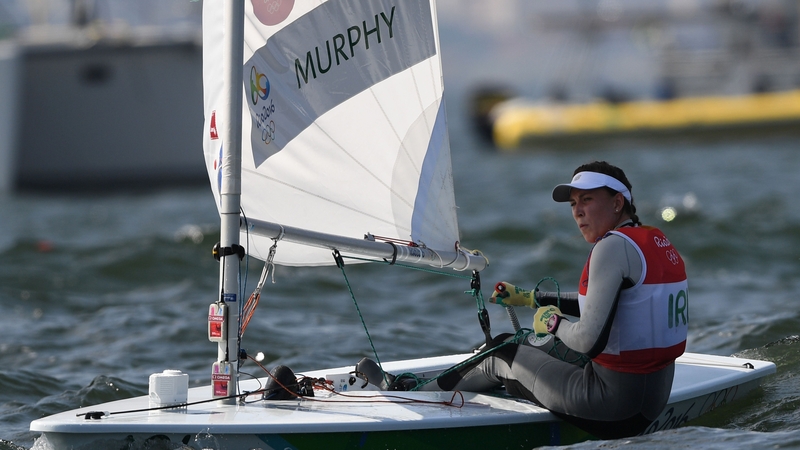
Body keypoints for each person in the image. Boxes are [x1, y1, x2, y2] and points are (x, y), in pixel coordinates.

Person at [354, 161, 689, 439]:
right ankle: (448, 385)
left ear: (617, 203)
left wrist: (553, 322)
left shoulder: (610, 247)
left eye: (587, 200)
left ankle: (405, 393)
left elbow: (588, 340)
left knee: (501, 355)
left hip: (611, 408)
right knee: (516, 340)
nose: (578, 212)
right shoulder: (652, 241)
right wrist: (531, 299)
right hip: (652, 401)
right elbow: (608, 305)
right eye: (573, 204)